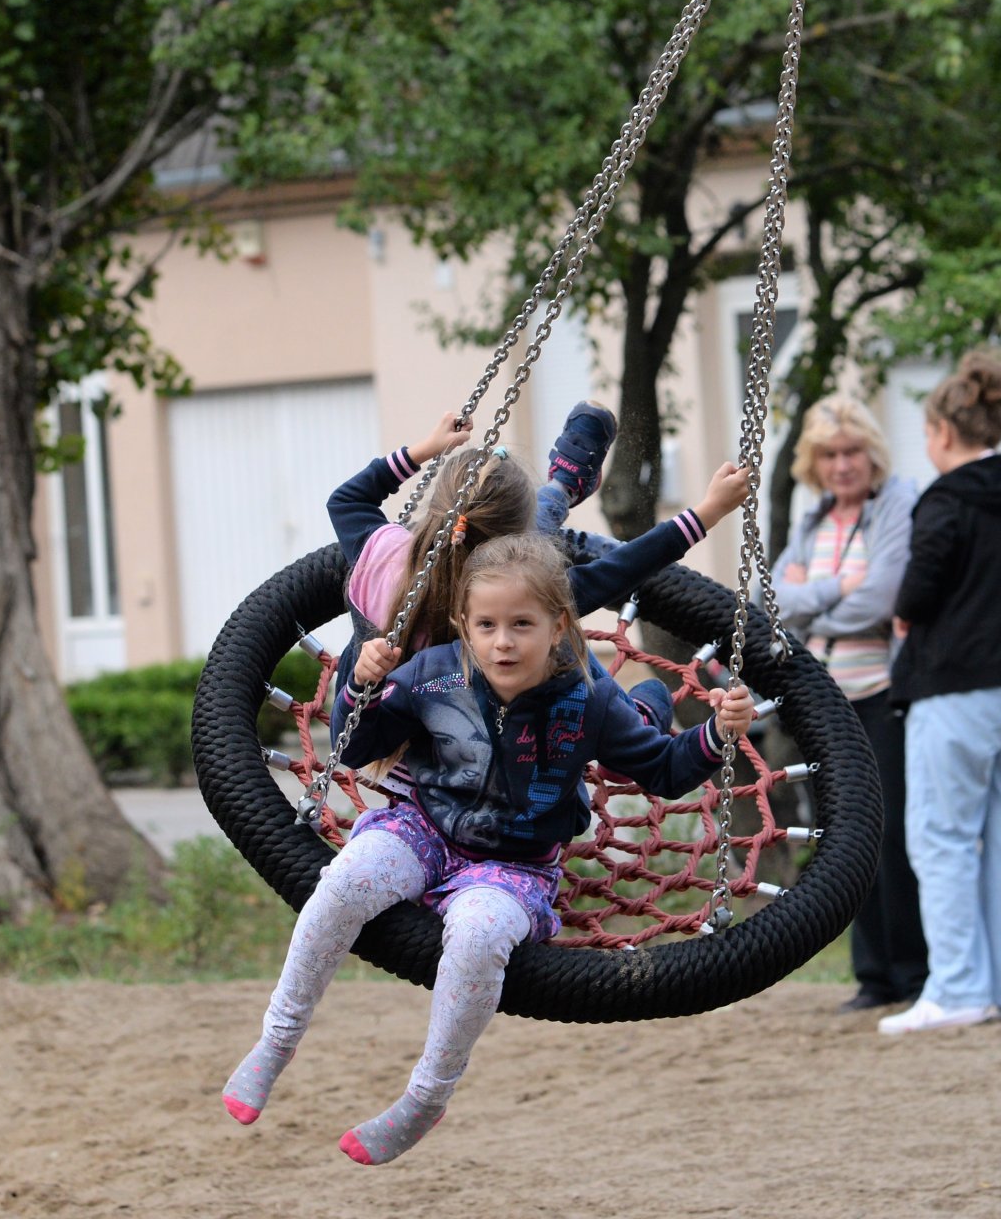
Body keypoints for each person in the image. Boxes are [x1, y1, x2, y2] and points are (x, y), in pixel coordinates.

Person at [223, 533, 757, 1164]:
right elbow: (355, 744)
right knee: (345, 881)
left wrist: (718, 735)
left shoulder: (587, 697)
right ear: (464, 625)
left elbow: (663, 772)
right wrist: (357, 684)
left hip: (516, 866)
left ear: (559, 626)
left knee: (477, 938)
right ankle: (277, 1041)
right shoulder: (433, 673)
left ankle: (425, 1098)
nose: (504, 642)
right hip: (425, 830)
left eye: (522, 625)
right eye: (487, 625)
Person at [325, 404, 751, 762]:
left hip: (372, 710)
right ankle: (633, 718)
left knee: (534, 565)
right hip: (436, 734)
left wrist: (427, 448)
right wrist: (708, 512)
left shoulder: (378, 551)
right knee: (553, 629)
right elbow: (621, 568)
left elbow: (345, 500)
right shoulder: (516, 595)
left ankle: (563, 486)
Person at [879, 349, 1001, 1036]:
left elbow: (917, 592)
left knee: (942, 837)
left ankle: (957, 989)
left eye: (926, 433)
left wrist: (905, 611)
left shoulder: (946, 500)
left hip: (959, 689)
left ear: (945, 433)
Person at [772, 395, 924, 1013]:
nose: (843, 465)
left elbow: (882, 598)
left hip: (879, 694)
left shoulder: (894, 510)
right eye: (831, 455)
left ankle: (912, 973)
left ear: (872, 455)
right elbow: (774, 597)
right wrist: (838, 588)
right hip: (824, 702)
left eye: (853, 451)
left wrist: (814, 596)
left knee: (890, 835)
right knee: (843, 839)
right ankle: (872, 977)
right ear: (815, 462)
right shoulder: (813, 523)